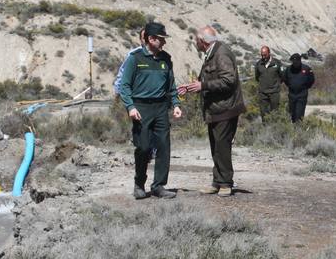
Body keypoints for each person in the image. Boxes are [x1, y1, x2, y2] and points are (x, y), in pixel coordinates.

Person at [115, 22, 183, 200]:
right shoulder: (135, 58)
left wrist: (176, 104)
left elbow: (171, 86)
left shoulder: (166, 59)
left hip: (161, 107)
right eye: (161, 39)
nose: (164, 42)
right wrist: (130, 107)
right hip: (141, 108)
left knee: (163, 147)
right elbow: (124, 86)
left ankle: (159, 185)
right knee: (143, 147)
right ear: (151, 39)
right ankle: (139, 183)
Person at [179, 26, 246, 196]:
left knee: (222, 146)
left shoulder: (221, 53)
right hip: (216, 109)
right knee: (216, 146)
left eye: (196, 40)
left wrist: (204, 85)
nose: (195, 43)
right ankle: (217, 182)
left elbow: (228, 80)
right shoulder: (212, 53)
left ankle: (225, 183)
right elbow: (210, 78)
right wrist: (191, 87)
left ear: (202, 41)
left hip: (225, 108)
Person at [283, 53, 316, 122]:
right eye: (293, 62)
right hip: (292, 95)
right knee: (292, 114)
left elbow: (311, 80)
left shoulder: (306, 69)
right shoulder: (288, 69)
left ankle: (299, 130)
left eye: (296, 62)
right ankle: (294, 130)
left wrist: (305, 87)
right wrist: (291, 86)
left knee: (299, 114)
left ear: (300, 61)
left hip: (302, 95)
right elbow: (285, 79)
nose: (295, 63)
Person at [253, 45, 284, 119]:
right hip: (263, 93)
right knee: (263, 113)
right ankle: (265, 128)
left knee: (275, 112)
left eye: (265, 55)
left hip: (274, 92)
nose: (263, 57)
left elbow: (282, 76)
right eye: (262, 55)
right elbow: (257, 77)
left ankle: (275, 128)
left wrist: (276, 84)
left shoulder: (277, 63)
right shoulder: (259, 64)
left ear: (269, 53)